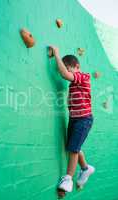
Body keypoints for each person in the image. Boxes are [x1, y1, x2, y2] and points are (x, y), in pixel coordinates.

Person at [49, 46, 95, 194]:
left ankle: (68, 179)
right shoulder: (73, 84)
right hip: (75, 119)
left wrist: (56, 54)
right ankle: (85, 168)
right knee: (74, 146)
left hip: (84, 119)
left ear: (77, 67)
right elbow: (65, 74)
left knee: (73, 149)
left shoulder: (84, 77)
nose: (67, 72)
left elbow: (64, 74)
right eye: (66, 69)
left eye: (70, 69)